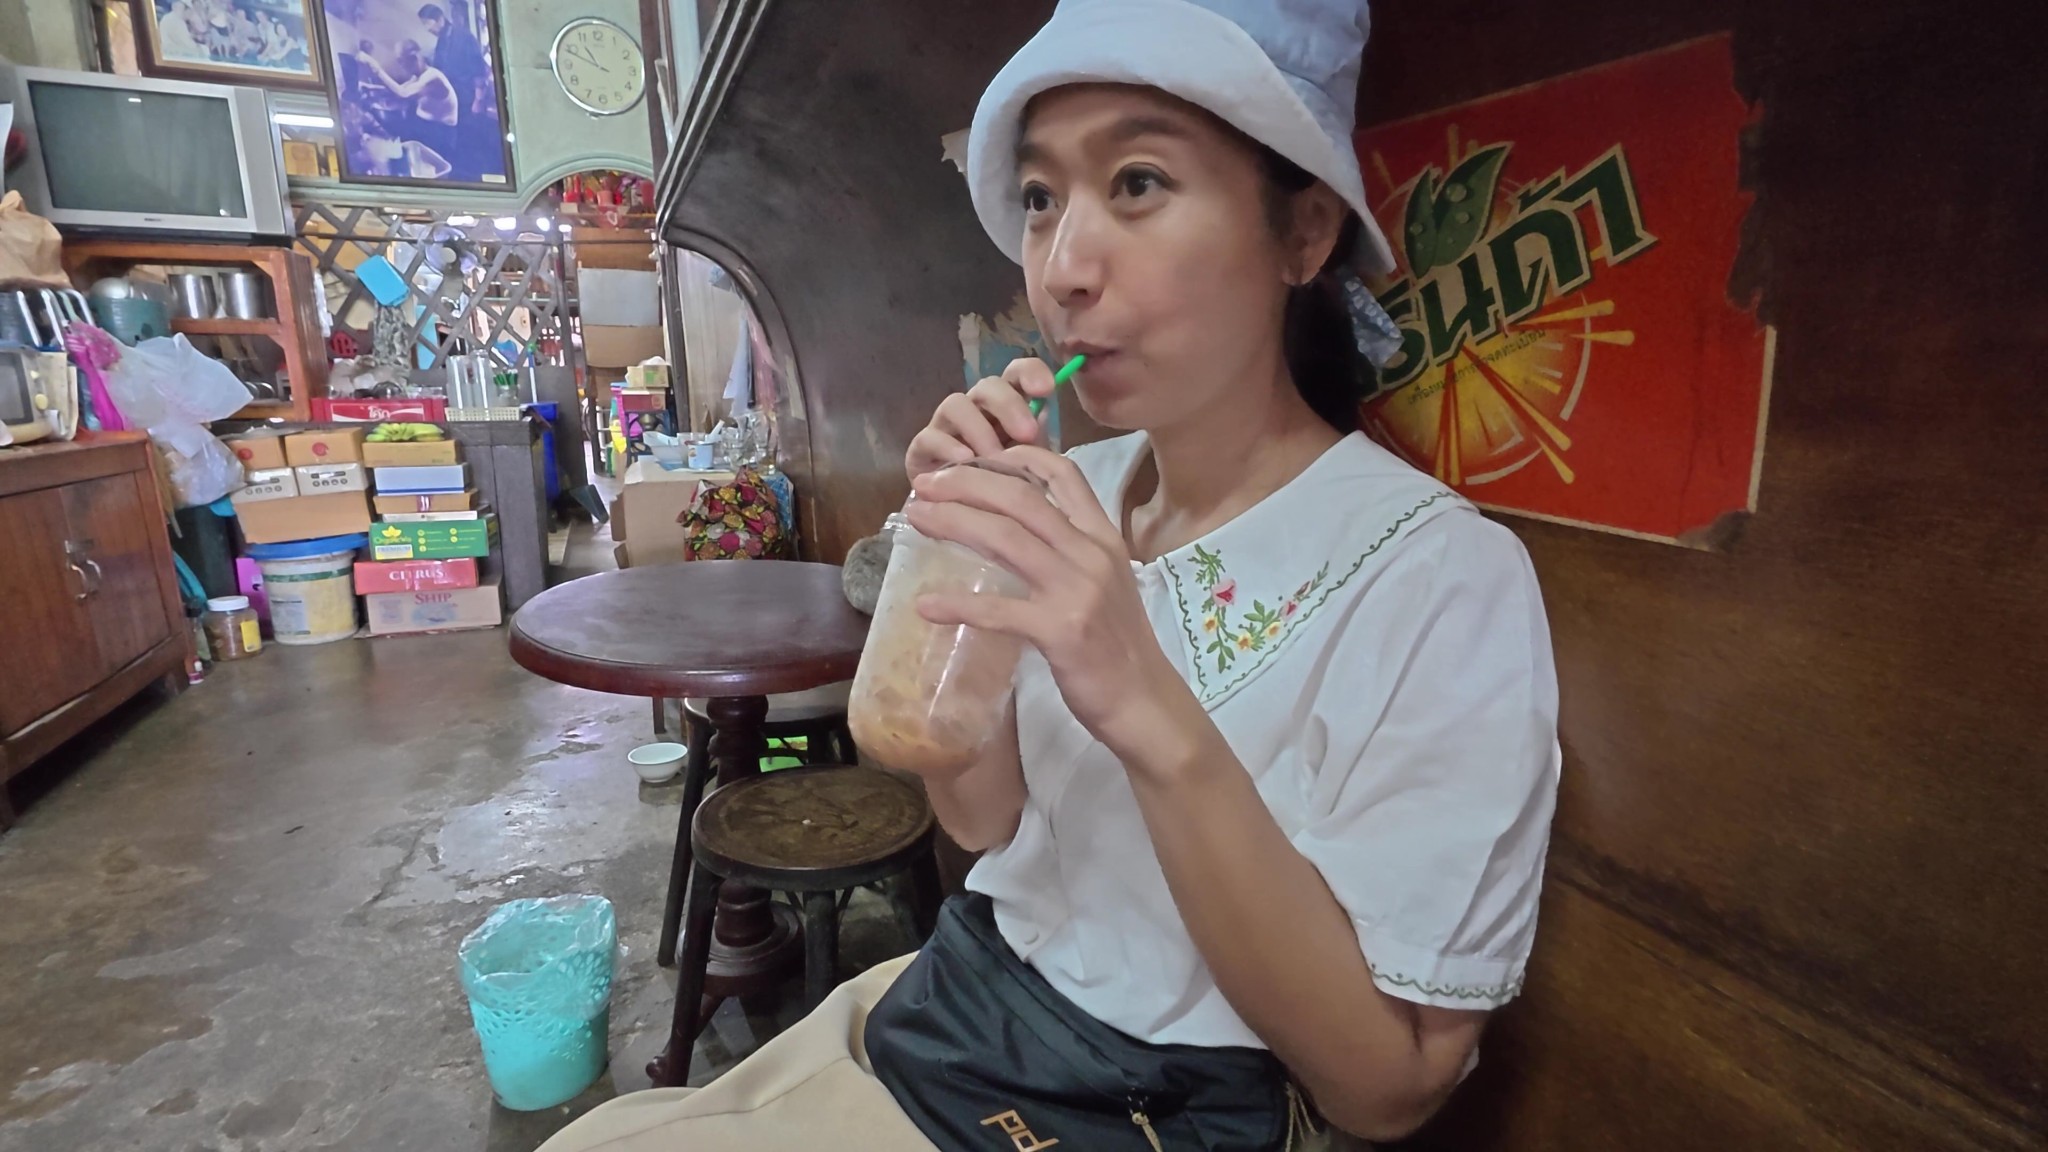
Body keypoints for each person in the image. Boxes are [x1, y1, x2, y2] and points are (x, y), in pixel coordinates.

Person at [539, 1, 1558, 1149]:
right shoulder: (1079, 483)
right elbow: (985, 825)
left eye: (1136, 182)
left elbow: (1389, 1088)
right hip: (968, 1013)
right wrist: (946, 574)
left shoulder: (1438, 575)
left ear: (1303, 233)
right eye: (1039, 197)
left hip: (1154, 1106)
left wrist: (1146, 705)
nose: (1061, 268)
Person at [354, 41, 461, 178]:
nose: (400, 65)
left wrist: (375, 67)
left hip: (441, 134)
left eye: (401, 60)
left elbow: (403, 93)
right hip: (426, 127)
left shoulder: (432, 77)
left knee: (431, 172)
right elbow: (398, 90)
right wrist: (369, 87)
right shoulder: (418, 77)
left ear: (414, 58)